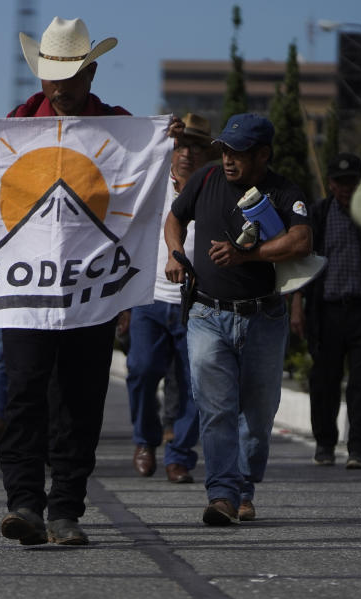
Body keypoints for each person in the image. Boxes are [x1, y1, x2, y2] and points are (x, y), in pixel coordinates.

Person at [0, 16, 172, 546]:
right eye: (50, 74)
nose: (59, 84)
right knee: (23, 393)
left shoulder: (119, 127)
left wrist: (162, 142)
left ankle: (66, 507)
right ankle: (23, 501)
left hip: (92, 295)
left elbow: (138, 197)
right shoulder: (17, 123)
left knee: (80, 398)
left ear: (91, 72)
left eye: (69, 73)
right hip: (26, 296)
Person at [165, 113, 312, 525]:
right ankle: (223, 495)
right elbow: (175, 217)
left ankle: (244, 486)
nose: (228, 159)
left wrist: (248, 255)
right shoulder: (206, 180)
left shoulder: (283, 191)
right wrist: (176, 253)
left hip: (263, 317)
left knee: (258, 415)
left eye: (240, 153)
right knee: (215, 408)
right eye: (225, 150)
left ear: (262, 154)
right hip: (207, 314)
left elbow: (301, 240)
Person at [125, 113, 213, 483]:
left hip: (199, 303)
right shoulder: (153, 185)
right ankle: (145, 440)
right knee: (142, 370)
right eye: (181, 146)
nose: (187, 154)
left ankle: (180, 454)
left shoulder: (215, 192)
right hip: (150, 298)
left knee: (197, 382)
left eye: (196, 147)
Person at [292, 153, 361, 469]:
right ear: (330, 183)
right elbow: (302, 262)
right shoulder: (317, 215)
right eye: (340, 182)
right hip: (326, 311)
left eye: (352, 182)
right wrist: (297, 305)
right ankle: (325, 444)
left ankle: (359, 448)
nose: (346, 188)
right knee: (324, 381)